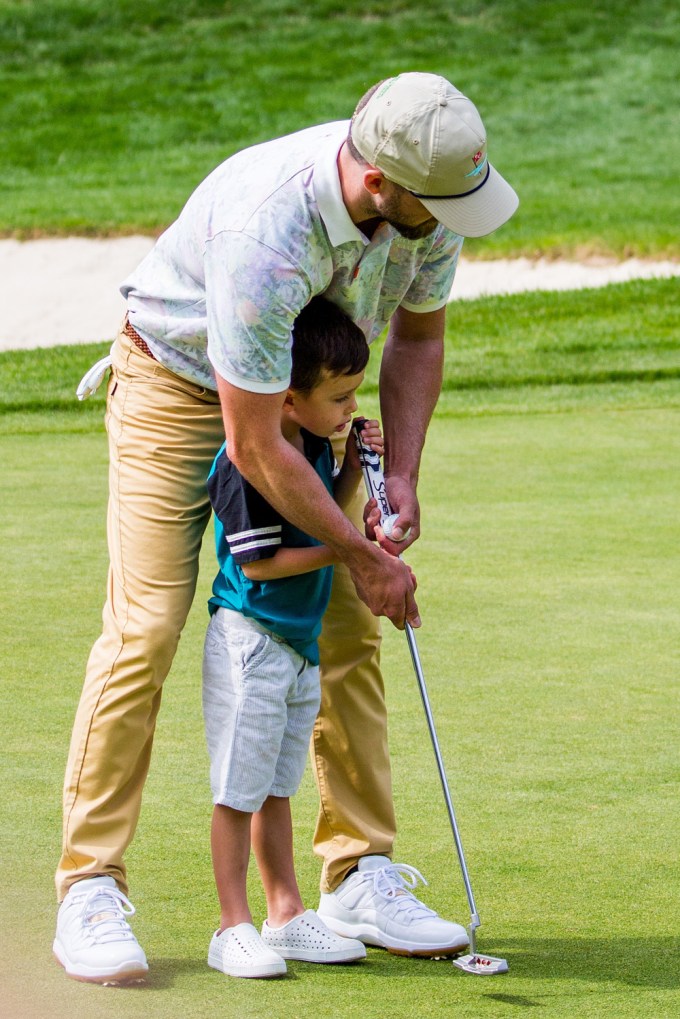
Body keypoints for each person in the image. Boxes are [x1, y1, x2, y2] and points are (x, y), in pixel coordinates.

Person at [54, 71, 518, 984]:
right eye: (442, 201)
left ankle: (357, 869)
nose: (460, 217)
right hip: (177, 382)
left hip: (303, 395)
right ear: (379, 183)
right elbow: (254, 444)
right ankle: (89, 882)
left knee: (344, 616)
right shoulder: (268, 231)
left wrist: (399, 480)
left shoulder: (430, 207)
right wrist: (358, 551)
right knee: (147, 623)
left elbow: (418, 338)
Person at [203, 297, 387, 978]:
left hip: (296, 644)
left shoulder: (308, 444)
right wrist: (348, 553)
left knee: (277, 786)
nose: (349, 406)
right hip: (251, 640)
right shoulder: (249, 462)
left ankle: (284, 913)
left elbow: (323, 519)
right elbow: (261, 562)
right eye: (339, 396)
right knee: (238, 789)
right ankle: (232, 926)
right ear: (286, 398)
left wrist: (350, 470)